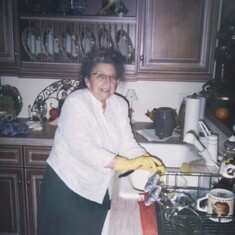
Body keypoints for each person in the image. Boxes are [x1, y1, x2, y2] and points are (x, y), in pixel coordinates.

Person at [37, 48, 165, 235]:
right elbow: (83, 148)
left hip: (98, 186)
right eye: (101, 76)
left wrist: (146, 159)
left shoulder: (120, 104)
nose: (108, 81)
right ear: (87, 80)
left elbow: (126, 143)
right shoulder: (76, 102)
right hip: (68, 185)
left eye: (113, 77)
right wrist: (127, 163)